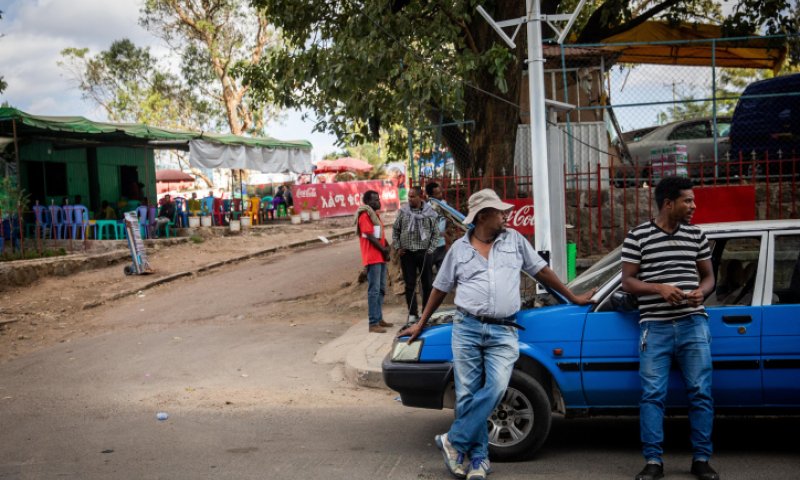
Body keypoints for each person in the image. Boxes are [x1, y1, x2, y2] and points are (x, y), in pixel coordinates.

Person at [399, 188, 595, 480]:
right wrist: (421, 322)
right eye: (500, 211)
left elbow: (542, 272)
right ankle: (477, 459)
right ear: (482, 216)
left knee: (497, 387)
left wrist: (573, 298)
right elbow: (439, 288)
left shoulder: (514, 240)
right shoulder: (459, 250)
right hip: (467, 328)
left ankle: (454, 440)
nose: (506, 214)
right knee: (467, 396)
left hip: (503, 330)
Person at [620, 176, 718, 480]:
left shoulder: (696, 236)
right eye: (688, 200)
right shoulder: (637, 237)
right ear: (668, 203)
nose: (693, 205)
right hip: (655, 327)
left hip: (693, 324)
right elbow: (628, 282)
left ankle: (701, 459)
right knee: (652, 395)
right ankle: (653, 462)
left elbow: (709, 278)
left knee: (701, 392)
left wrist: (703, 292)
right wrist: (660, 288)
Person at [392, 186, 439, 322]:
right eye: (409, 196)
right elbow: (395, 230)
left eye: (413, 196)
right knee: (410, 285)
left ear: (420, 197)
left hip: (424, 253)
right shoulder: (403, 212)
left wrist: (431, 250)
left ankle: (426, 313)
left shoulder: (430, 212)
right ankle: (412, 314)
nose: (410, 199)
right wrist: (398, 247)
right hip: (407, 254)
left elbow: (435, 233)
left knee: (427, 285)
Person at [356, 190, 392, 334]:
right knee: (374, 290)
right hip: (373, 257)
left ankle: (379, 318)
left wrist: (386, 247)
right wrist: (383, 250)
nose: (379, 202)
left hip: (380, 256)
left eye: (378, 199)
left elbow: (380, 235)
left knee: (381, 289)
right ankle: (373, 323)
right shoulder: (364, 216)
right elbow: (370, 236)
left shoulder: (374, 215)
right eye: (375, 200)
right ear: (368, 202)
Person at [425, 182, 448, 273]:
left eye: (441, 192)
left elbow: (448, 219)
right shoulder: (426, 209)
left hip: (442, 245)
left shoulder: (444, 204)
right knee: (427, 277)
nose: (441, 195)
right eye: (438, 193)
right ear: (431, 195)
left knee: (442, 274)